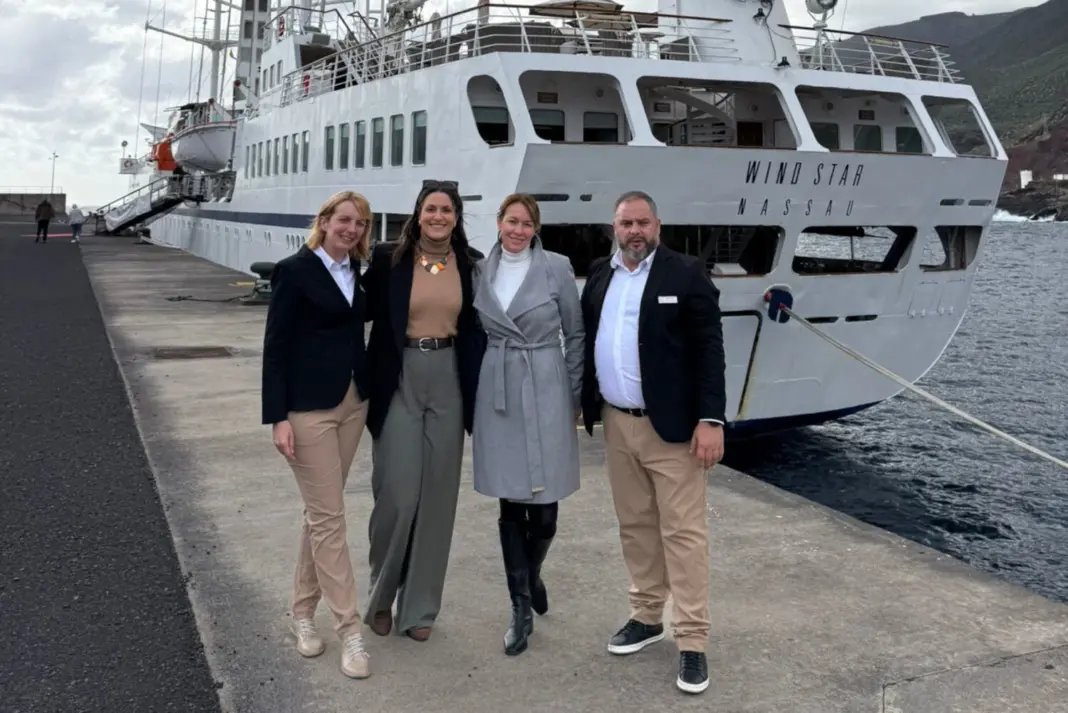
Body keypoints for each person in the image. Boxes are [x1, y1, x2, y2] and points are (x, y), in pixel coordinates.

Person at [579, 190, 727, 695]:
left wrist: (711, 419)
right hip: (618, 423)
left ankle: (692, 641)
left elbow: (710, 349)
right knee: (636, 526)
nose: (635, 231)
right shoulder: (602, 274)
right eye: (626, 223)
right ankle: (646, 616)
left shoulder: (684, 274)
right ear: (613, 228)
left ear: (657, 225)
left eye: (643, 222)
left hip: (675, 429)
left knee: (683, 534)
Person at [361, 180, 486, 641]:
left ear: (457, 217)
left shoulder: (471, 266)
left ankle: (419, 609)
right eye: (431, 209)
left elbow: (481, 328)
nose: (438, 217)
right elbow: (357, 309)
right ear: (418, 214)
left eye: (446, 210)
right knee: (398, 494)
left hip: (449, 377)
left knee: (437, 498)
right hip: (400, 375)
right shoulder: (388, 258)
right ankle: (381, 596)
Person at [261, 190, 374, 680]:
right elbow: (276, 346)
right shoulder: (295, 270)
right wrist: (277, 417)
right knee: (330, 518)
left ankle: (302, 613)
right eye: (345, 220)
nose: (352, 229)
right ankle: (349, 628)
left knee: (319, 515)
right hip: (307, 409)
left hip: (353, 403)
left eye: (361, 224)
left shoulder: (355, 273)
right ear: (325, 221)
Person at [470, 193, 584, 656]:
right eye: (511, 221)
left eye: (527, 223)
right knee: (510, 500)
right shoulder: (480, 271)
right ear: (499, 223)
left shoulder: (556, 267)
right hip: (498, 388)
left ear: (536, 228)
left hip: (546, 383)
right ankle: (519, 605)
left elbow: (575, 333)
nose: (518, 230)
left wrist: (573, 394)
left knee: (547, 507)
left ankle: (531, 573)